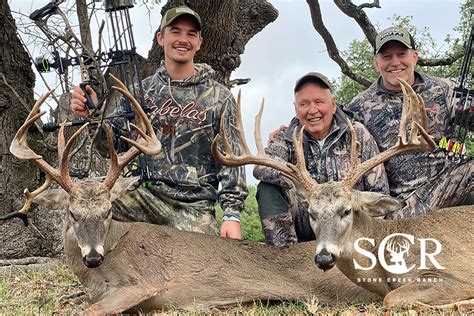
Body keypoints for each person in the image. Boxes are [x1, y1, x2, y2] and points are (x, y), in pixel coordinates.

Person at [70, 5, 248, 238]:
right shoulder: (137, 92)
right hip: (144, 195)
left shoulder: (219, 96)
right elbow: (109, 147)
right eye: (175, 31)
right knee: (84, 210)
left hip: (193, 206)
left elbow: (232, 159)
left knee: (200, 265)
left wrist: (231, 216)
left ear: (200, 42)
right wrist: (93, 115)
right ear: (160, 38)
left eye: (190, 34)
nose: (183, 39)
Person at [347, 26, 473, 219]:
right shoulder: (359, 105)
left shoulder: (443, 88)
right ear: (376, 63)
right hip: (400, 205)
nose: (395, 62)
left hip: (448, 184)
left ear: (415, 56)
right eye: (386, 56)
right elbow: (328, 131)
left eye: (402, 54)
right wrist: (289, 132)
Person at [253, 72, 389, 247]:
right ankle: (286, 257)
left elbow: (379, 190)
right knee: (267, 188)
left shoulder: (357, 133)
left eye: (319, 102)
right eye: (304, 104)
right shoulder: (286, 138)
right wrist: (304, 185)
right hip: (310, 217)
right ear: (296, 109)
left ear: (333, 105)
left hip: (347, 222)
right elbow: (260, 166)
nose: (312, 110)